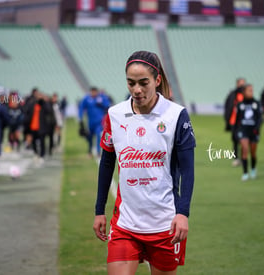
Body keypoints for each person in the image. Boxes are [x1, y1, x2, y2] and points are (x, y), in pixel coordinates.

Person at [93, 51, 196, 274]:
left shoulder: (176, 115)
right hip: (125, 226)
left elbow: (188, 170)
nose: (137, 90)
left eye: (143, 83)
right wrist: (99, 209)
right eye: (131, 83)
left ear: (157, 80)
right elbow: (107, 163)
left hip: (165, 225)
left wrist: (183, 213)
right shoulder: (114, 114)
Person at [235, 84, 262, 181]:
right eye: (249, 90)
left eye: (252, 90)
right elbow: (237, 120)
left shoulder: (256, 103)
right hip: (243, 131)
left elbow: (260, 118)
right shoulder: (240, 105)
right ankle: (245, 173)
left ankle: (253, 169)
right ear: (244, 92)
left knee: (253, 153)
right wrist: (237, 131)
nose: (251, 92)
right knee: (245, 150)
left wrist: (257, 129)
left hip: (254, 131)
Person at [78, 87, 110, 157]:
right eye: (92, 92)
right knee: (89, 136)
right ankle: (90, 151)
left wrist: (101, 103)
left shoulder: (101, 98)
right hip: (90, 122)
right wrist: (80, 118)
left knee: (98, 134)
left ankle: (98, 152)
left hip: (99, 122)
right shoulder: (86, 99)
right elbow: (81, 108)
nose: (93, 93)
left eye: (95, 92)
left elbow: (107, 105)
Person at [224, 78, 245, 167]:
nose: (243, 85)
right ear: (237, 84)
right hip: (234, 121)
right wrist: (227, 118)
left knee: (243, 140)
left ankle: (244, 158)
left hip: (243, 122)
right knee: (235, 140)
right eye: (241, 83)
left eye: (243, 83)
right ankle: (236, 158)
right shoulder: (233, 94)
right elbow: (227, 105)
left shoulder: (245, 95)